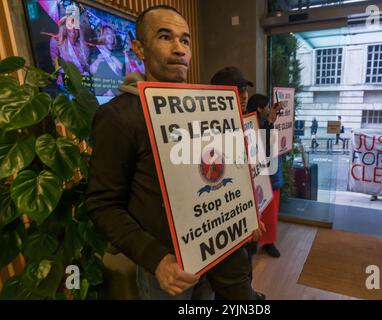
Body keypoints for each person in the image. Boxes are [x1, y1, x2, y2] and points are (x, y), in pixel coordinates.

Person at [86, 5, 263, 300]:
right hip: (169, 274)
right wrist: (157, 259)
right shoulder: (118, 117)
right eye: (165, 37)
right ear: (139, 48)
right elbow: (102, 205)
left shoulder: (209, 108)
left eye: (185, 40)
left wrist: (245, 214)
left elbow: (222, 172)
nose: (179, 48)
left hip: (215, 254)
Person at [210, 67, 268, 300]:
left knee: (246, 266)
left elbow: (255, 173)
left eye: (244, 90)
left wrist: (254, 214)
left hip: (248, 219)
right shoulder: (208, 132)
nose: (243, 95)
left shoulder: (247, 125)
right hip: (223, 227)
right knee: (233, 286)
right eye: (237, 89)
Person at [246, 94, 283, 258]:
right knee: (260, 212)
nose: (269, 109)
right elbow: (261, 147)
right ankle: (256, 242)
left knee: (270, 212)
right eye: (267, 106)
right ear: (260, 108)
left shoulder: (266, 123)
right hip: (259, 176)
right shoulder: (250, 125)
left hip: (271, 174)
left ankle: (268, 242)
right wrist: (269, 123)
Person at [50, 15, 90, 86]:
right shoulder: (57, 42)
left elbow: (87, 66)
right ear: (65, 29)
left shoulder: (82, 46)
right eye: (70, 26)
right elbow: (55, 62)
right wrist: (61, 74)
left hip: (83, 80)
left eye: (75, 27)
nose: (73, 30)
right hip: (66, 80)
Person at [90, 25, 125, 96]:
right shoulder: (97, 51)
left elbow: (121, 69)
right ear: (102, 36)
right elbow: (92, 70)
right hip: (104, 96)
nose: (111, 35)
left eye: (112, 33)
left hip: (118, 94)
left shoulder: (116, 53)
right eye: (107, 33)